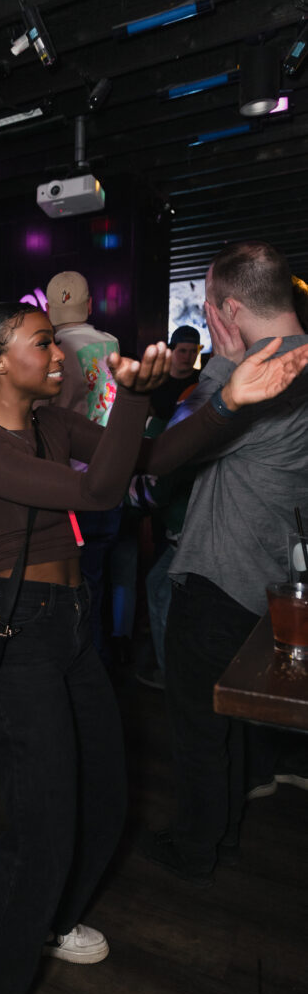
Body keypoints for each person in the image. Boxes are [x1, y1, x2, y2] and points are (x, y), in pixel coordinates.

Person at [0, 301, 308, 994]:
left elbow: (148, 459)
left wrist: (227, 403)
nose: (59, 358)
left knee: (106, 797)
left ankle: (51, 919)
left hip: (71, 628)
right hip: (18, 639)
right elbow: (96, 490)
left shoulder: (49, 423)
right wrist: (135, 396)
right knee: (41, 822)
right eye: (42, 344)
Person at [141, 240, 308, 887]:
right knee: (231, 717)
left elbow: (179, 444)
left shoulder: (261, 376)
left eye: (211, 307)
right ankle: (224, 834)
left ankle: (196, 847)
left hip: (221, 574)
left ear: (230, 309)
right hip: (274, 572)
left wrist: (220, 365)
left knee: (197, 726)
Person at [45, 270, 122, 657]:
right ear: (90, 305)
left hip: (69, 486)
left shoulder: (49, 348)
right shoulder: (110, 343)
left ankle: (82, 668)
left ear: (47, 307)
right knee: (99, 576)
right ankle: (102, 662)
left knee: (71, 588)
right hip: (111, 473)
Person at [150, 324, 202, 420]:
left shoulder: (203, 381)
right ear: (171, 350)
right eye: (182, 351)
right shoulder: (156, 380)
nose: (187, 357)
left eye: (193, 351)